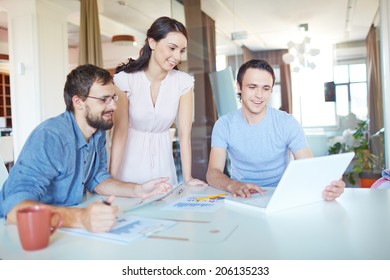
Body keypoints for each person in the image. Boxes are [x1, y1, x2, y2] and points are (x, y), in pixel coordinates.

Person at [0, 64, 172, 233]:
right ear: (78, 102)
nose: (113, 106)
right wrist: (81, 217)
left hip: (62, 228)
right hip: (24, 231)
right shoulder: (50, 137)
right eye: (104, 99)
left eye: (113, 98)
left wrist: (138, 190)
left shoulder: (97, 132)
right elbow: (16, 210)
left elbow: (98, 179)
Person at [206, 59, 345, 200]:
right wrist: (232, 185)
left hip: (280, 195)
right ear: (239, 87)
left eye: (266, 88)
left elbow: (308, 166)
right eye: (252, 87)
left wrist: (330, 186)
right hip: (240, 194)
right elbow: (213, 172)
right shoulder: (224, 125)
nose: (259, 95)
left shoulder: (287, 123)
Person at [111, 16, 207, 187]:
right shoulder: (124, 80)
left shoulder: (183, 83)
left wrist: (188, 179)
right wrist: (112, 179)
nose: (177, 57)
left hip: (164, 165)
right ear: (152, 43)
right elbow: (120, 133)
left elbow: (185, 135)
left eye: (182, 51)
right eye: (172, 48)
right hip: (129, 165)